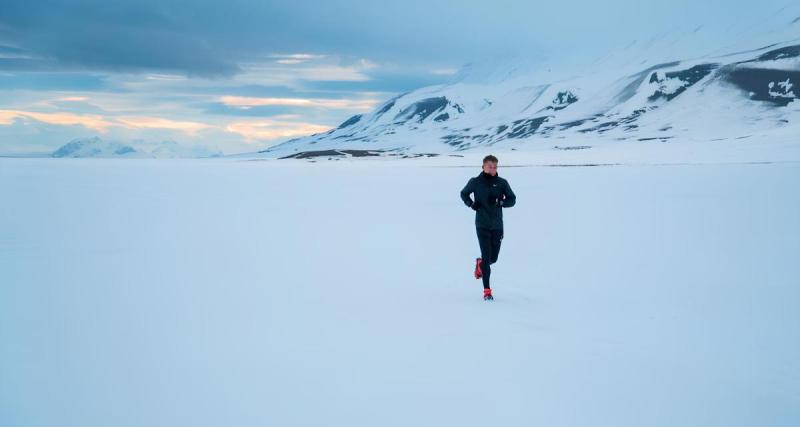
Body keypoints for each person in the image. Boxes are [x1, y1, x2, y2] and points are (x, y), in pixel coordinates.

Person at [459, 154, 517, 300]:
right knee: (486, 256)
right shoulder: (475, 182)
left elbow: (512, 200)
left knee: (493, 258)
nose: (492, 169)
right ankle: (487, 291)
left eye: (495, 167)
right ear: (483, 166)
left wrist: (500, 202)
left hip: (497, 225)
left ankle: (481, 264)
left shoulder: (502, 183)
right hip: (482, 224)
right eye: (490, 166)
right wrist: (471, 204)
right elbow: (464, 193)